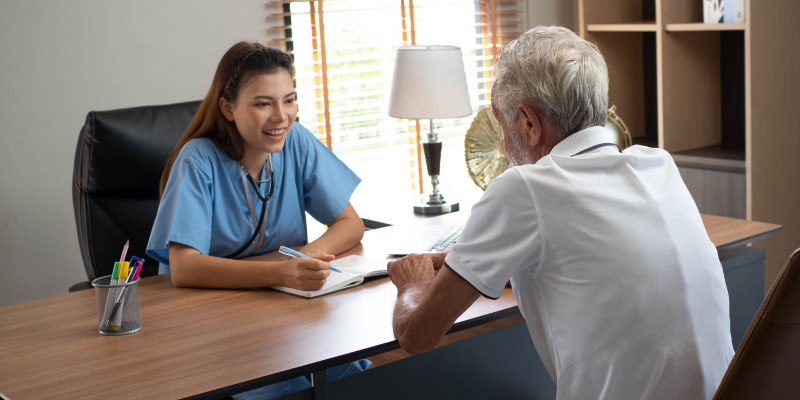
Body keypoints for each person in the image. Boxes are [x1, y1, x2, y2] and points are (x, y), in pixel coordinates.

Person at [387, 26, 734, 400]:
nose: (504, 144)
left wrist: (412, 283)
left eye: (502, 125)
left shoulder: (523, 188)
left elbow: (415, 336)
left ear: (529, 123)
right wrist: (483, 264)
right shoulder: (657, 165)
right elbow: (594, 263)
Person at [146, 42, 370, 400]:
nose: (281, 116)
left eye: (289, 99)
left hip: (281, 309)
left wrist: (305, 258)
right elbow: (185, 268)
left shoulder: (296, 141)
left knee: (349, 373)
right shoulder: (198, 160)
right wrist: (281, 273)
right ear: (228, 107)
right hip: (210, 320)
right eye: (263, 103)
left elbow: (349, 223)